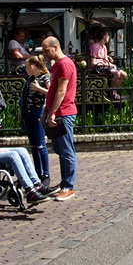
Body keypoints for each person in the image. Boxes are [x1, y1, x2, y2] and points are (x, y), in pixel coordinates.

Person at [42, 36, 78, 201]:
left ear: (55, 47)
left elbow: (61, 91)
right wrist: (47, 111)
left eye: (46, 50)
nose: (45, 54)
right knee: (60, 150)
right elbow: (52, 91)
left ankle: (69, 187)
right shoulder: (56, 65)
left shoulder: (64, 64)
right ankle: (64, 182)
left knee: (66, 150)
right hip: (57, 112)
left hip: (64, 113)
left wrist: (53, 112)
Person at [21, 55, 52, 187]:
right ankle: (37, 172)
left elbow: (51, 92)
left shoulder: (45, 77)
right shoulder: (30, 79)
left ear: (33, 67)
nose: (26, 70)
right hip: (28, 112)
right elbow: (25, 95)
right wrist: (20, 110)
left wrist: (38, 88)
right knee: (33, 145)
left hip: (38, 111)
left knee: (40, 144)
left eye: (27, 67)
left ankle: (46, 173)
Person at [89, 29, 127, 98]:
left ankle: (115, 90)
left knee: (124, 74)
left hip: (105, 67)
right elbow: (93, 63)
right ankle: (112, 93)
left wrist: (111, 64)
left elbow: (106, 61)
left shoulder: (104, 47)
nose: (108, 37)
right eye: (108, 35)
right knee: (117, 73)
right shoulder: (95, 47)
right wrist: (105, 64)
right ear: (104, 36)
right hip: (98, 68)